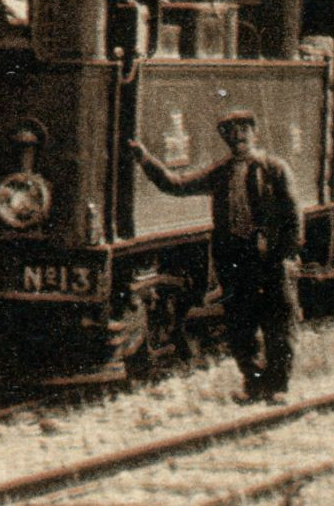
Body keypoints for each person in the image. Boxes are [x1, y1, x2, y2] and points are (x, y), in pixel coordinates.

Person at [129, 110, 302, 404]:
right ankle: (254, 383)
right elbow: (176, 184)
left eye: (243, 130)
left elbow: (294, 215)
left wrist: (286, 253)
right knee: (240, 325)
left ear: (254, 133)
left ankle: (279, 386)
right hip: (236, 259)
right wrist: (145, 159)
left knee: (278, 323)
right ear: (226, 139)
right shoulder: (221, 172)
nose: (238, 137)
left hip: (270, 259)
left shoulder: (274, 169)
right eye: (231, 132)